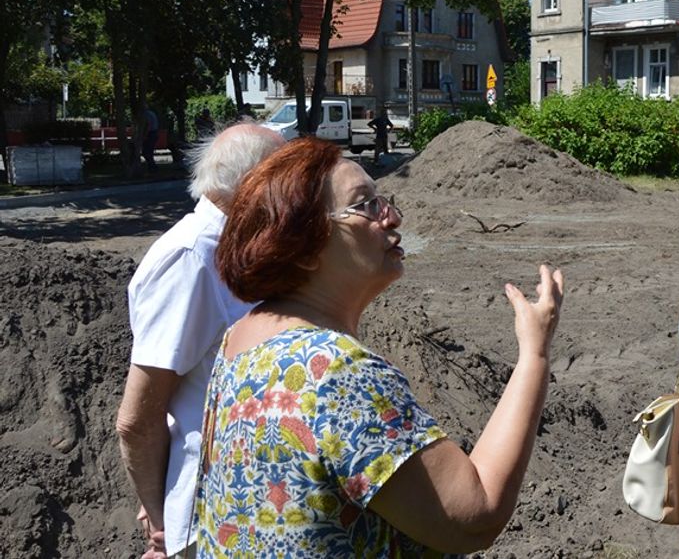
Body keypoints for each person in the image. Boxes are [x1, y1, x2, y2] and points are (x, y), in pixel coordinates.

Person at [194, 137, 563, 555]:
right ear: (304, 248)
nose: (392, 217)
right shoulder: (337, 371)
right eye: (366, 205)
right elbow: (474, 518)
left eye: (383, 200)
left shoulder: (242, 338)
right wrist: (534, 353)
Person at [116, 122, 285, 558]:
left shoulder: (234, 251)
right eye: (287, 176)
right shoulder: (191, 258)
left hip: (244, 505)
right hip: (210, 516)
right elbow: (138, 418)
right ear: (255, 185)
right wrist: (160, 522)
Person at [139, 103, 160, 171]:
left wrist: (145, 135)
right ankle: (152, 166)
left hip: (151, 134)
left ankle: (152, 167)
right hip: (154, 133)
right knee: (149, 151)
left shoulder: (146, 114)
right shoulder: (152, 113)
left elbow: (148, 125)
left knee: (146, 152)